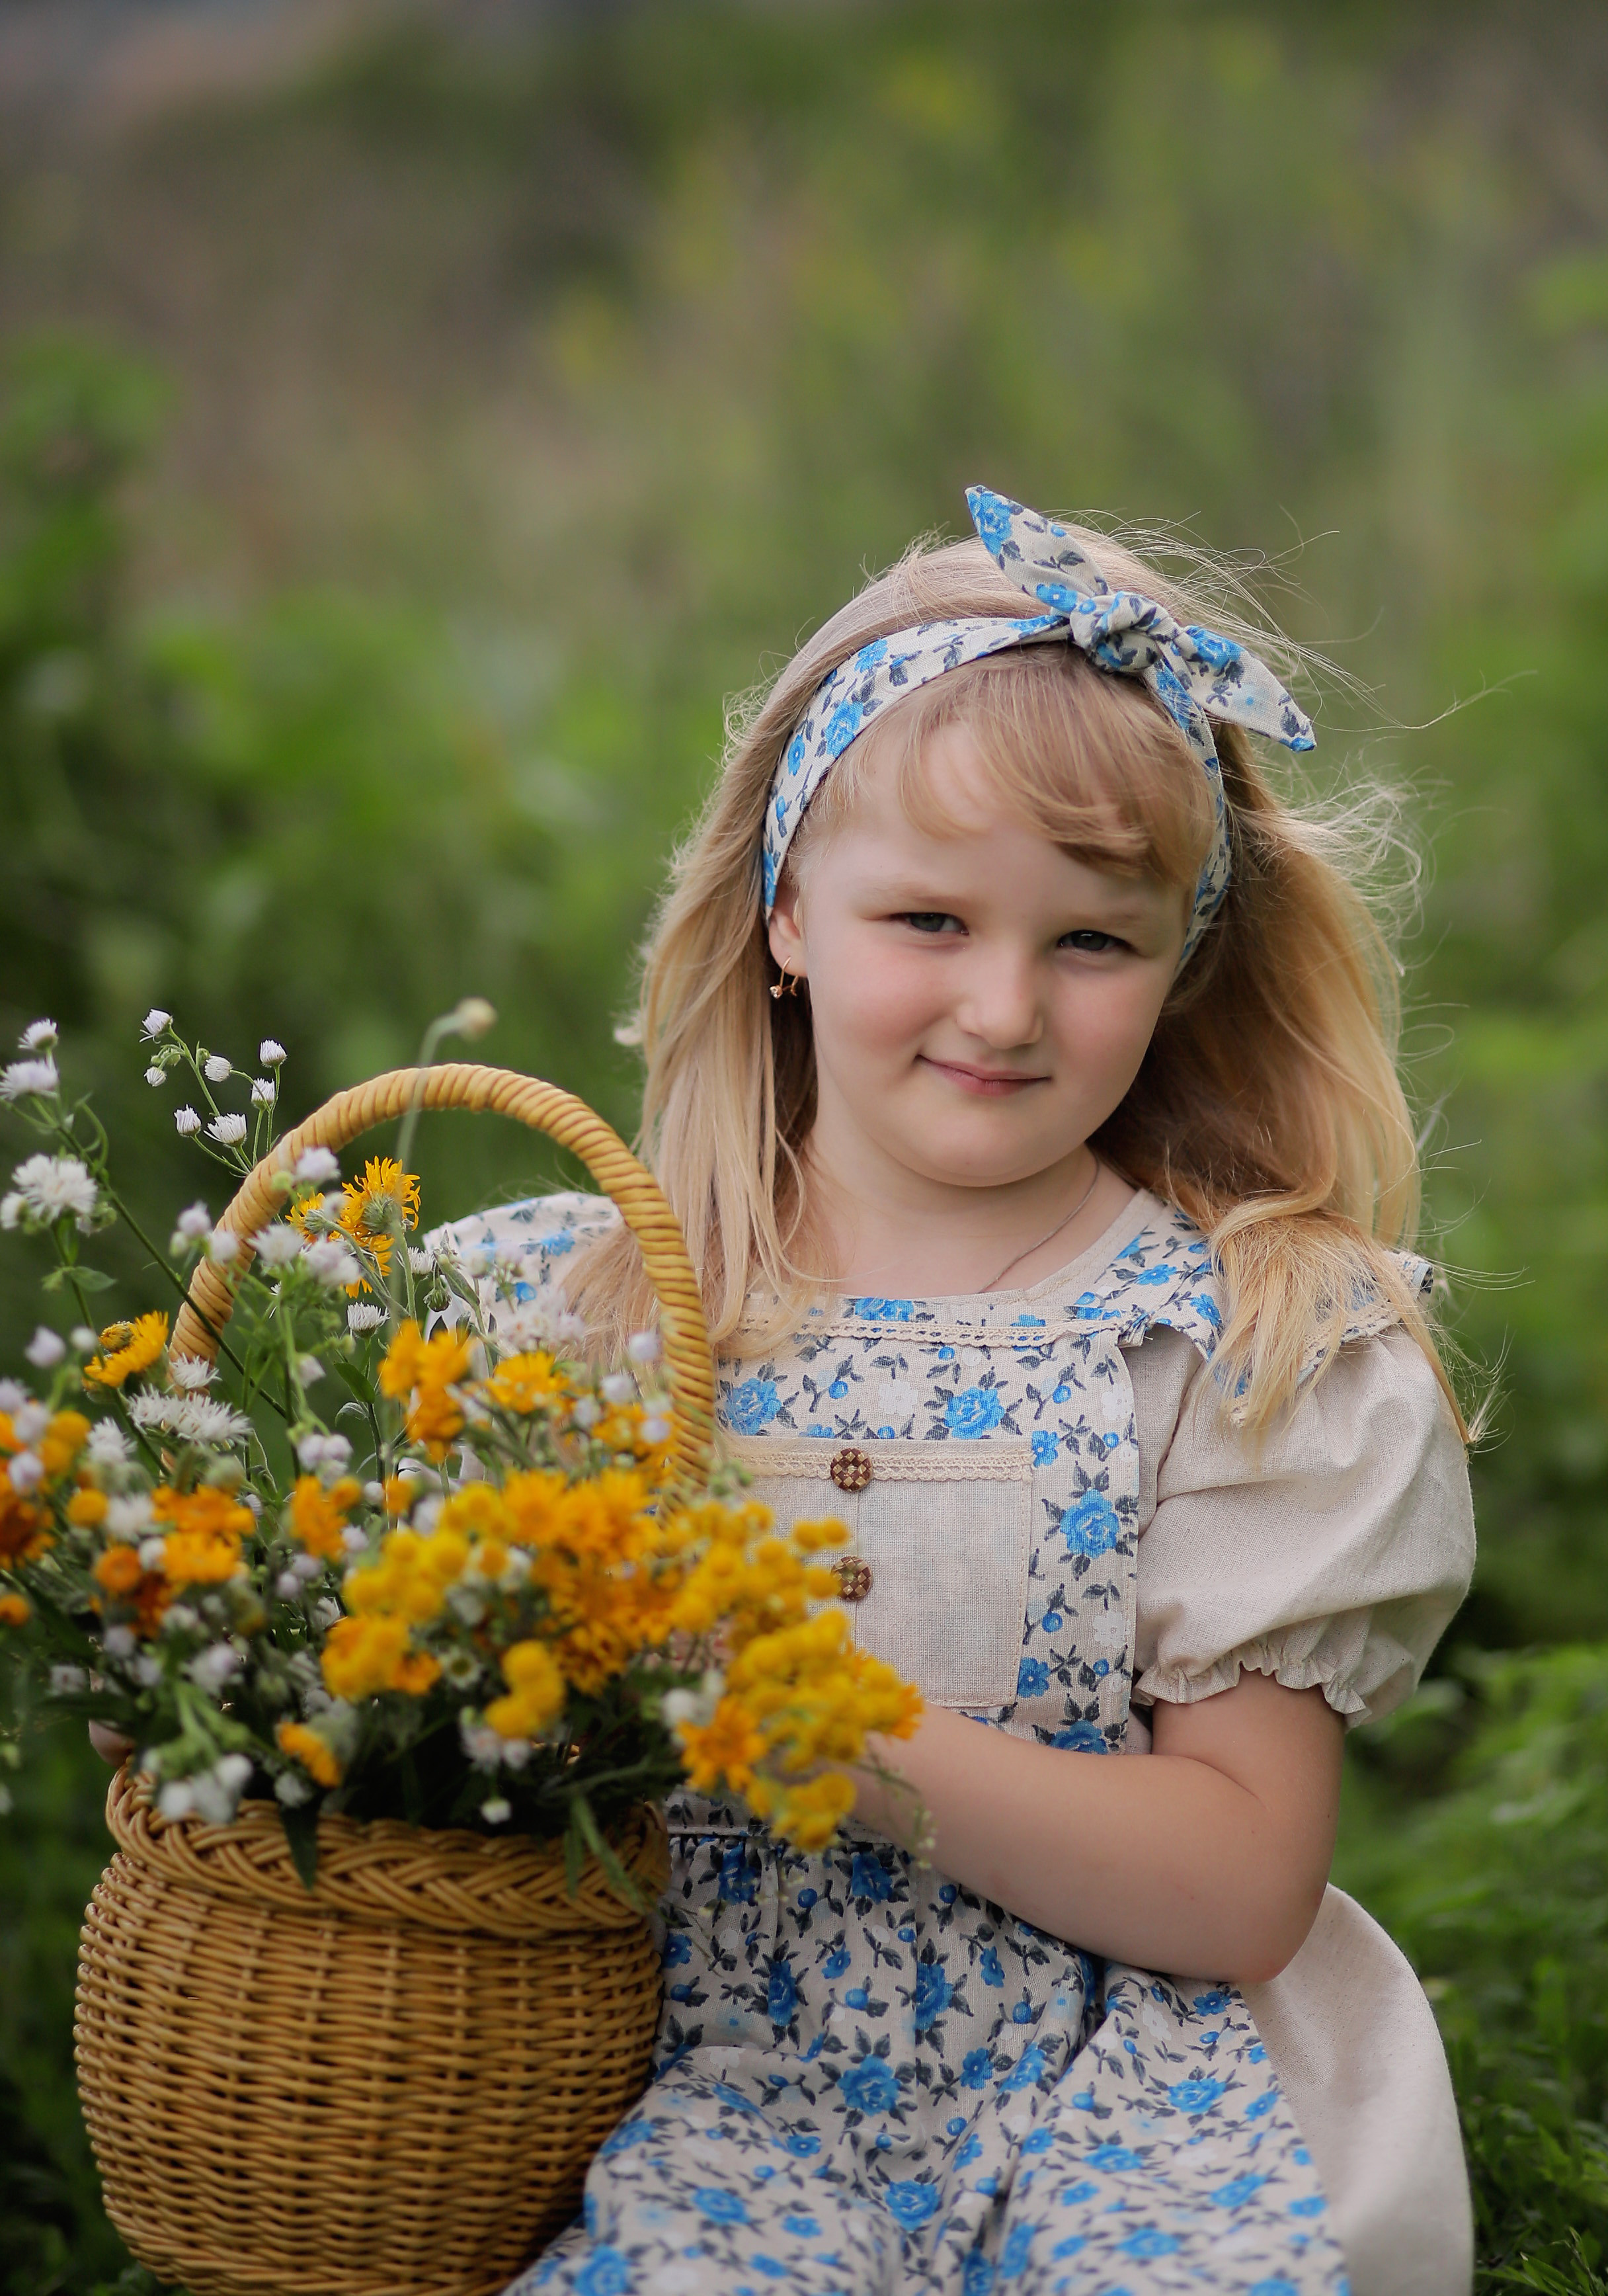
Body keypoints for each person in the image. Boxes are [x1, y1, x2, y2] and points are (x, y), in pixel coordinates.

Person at [451, 489, 1476, 2296]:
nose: (1004, 1007)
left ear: (1183, 962)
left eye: (1093, 941)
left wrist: (840, 1735)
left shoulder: (1231, 1342)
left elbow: (1243, 1882)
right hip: (684, 2086)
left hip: (1114, 2089)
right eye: (928, 917)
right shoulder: (600, 1310)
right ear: (784, 913)